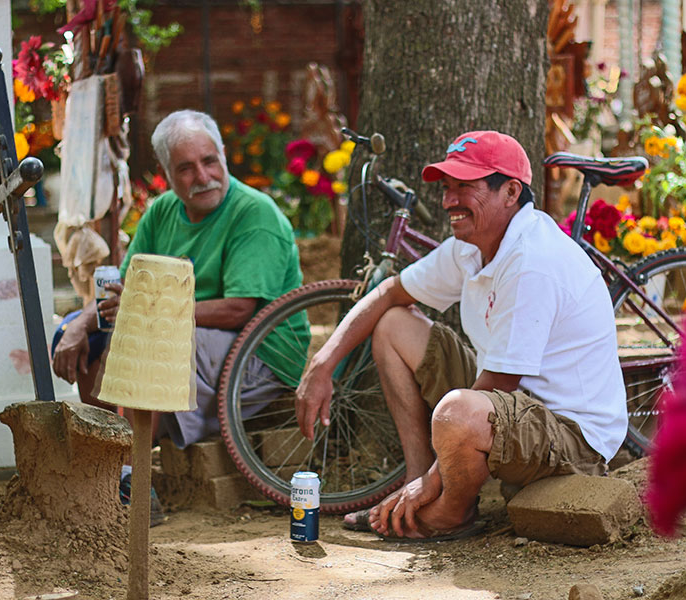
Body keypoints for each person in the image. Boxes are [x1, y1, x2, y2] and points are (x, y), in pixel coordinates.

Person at [295, 131, 627, 540]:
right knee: (393, 324)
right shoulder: (471, 245)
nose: (448, 200)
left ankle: (451, 511)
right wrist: (322, 363)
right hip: (513, 407)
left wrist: (436, 481)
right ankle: (415, 486)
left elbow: (499, 387)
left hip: (573, 436)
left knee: (458, 412)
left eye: (464, 187)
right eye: (446, 187)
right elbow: (388, 293)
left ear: (510, 191)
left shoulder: (532, 261)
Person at [52, 109, 305, 451]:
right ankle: (106, 458)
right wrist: (79, 325)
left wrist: (153, 313)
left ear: (224, 156)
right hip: (195, 336)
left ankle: (129, 474)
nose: (203, 176)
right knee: (81, 335)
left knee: (149, 334)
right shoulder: (162, 212)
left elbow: (239, 310)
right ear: (167, 173)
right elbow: (121, 290)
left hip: (260, 355)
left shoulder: (254, 214)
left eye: (209, 161)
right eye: (185, 168)